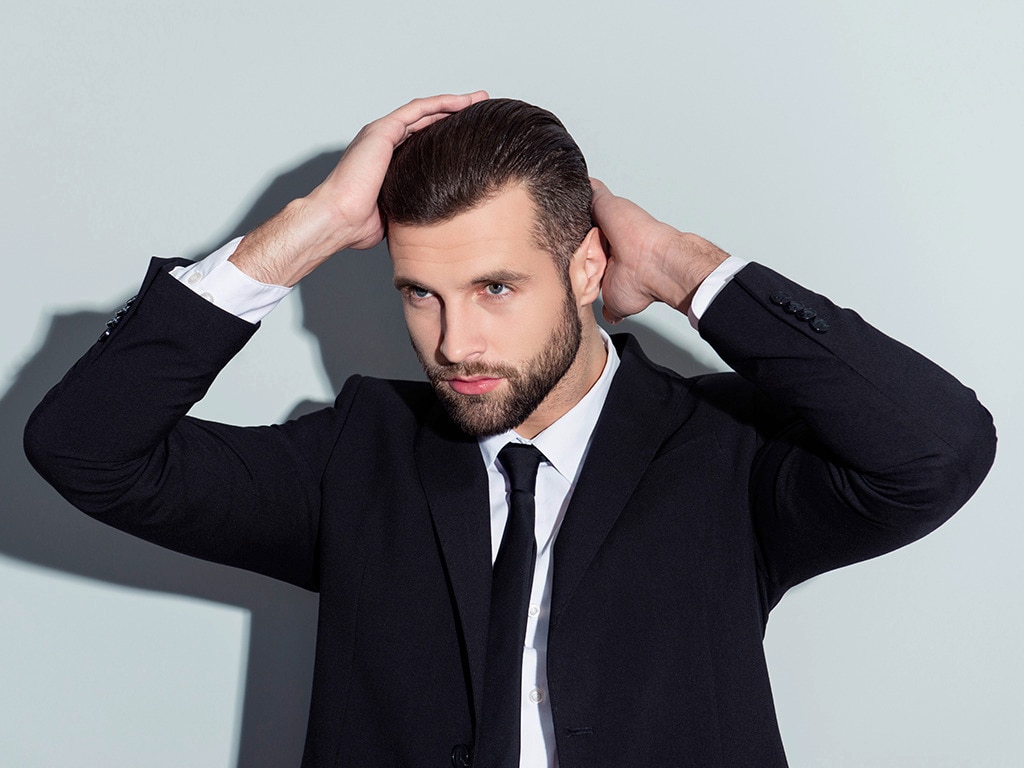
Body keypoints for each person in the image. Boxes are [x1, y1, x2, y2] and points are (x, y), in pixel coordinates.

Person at [24, 93, 996, 768]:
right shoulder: (356, 456)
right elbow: (85, 447)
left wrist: (678, 265)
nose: (455, 342)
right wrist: (311, 227)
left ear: (582, 268)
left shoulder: (722, 458)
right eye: (420, 295)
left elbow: (936, 446)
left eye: (495, 287)